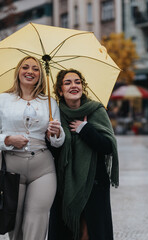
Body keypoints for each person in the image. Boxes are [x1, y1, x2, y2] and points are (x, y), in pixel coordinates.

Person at [0, 56, 65, 240]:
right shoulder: (1, 100)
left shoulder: (50, 102)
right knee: (15, 223)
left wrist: (57, 133)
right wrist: (9, 139)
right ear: (18, 71)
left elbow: (58, 142)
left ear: (40, 75)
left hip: (43, 168)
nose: (30, 71)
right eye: (25, 67)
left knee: (37, 221)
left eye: (35, 69)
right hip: (11, 168)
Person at [49, 69, 119, 240]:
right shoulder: (55, 114)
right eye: (68, 83)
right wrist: (54, 136)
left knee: (89, 233)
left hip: (93, 184)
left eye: (77, 82)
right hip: (65, 185)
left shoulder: (96, 110)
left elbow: (108, 146)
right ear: (60, 90)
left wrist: (85, 129)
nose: (74, 85)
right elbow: (55, 155)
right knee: (70, 233)